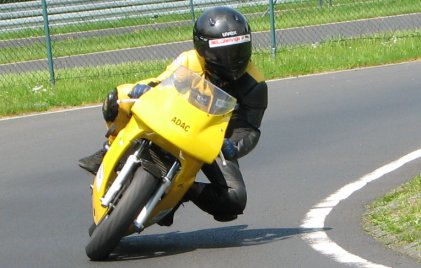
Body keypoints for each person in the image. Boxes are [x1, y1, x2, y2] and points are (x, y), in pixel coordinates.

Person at [79, 6, 268, 226]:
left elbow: (249, 129)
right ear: (202, 48)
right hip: (171, 120)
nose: (231, 59)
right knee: (120, 96)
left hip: (210, 142)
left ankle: (184, 189)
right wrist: (146, 89)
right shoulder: (189, 60)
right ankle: (109, 148)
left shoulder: (255, 84)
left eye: (238, 50)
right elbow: (162, 82)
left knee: (235, 198)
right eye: (223, 53)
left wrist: (232, 146)